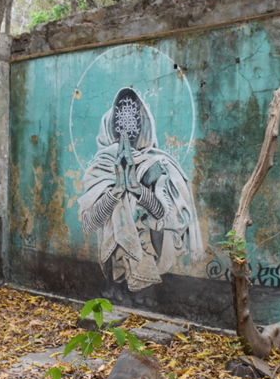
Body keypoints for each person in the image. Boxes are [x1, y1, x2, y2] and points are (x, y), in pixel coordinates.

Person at [79, 87, 202, 291]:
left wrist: (138, 190)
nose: (127, 137)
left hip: (153, 268)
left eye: (134, 123)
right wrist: (117, 190)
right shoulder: (100, 167)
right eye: (120, 125)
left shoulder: (159, 165)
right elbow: (90, 224)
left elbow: (165, 217)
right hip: (114, 276)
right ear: (110, 127)